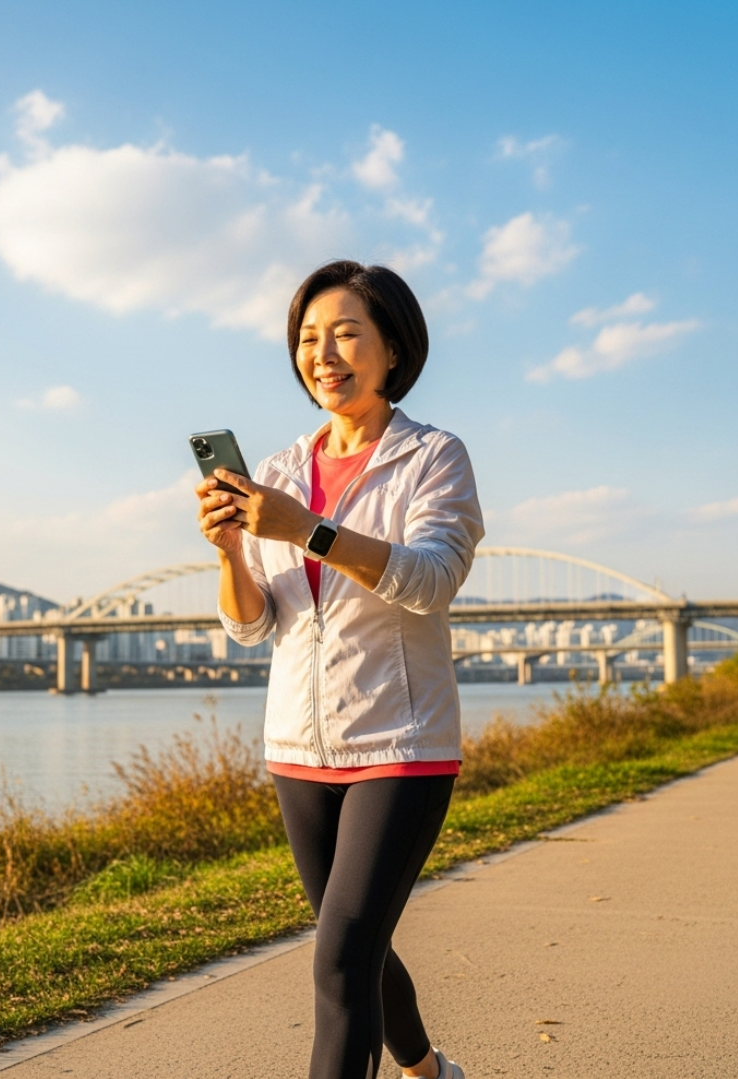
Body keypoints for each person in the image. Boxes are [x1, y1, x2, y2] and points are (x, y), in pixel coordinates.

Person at [195, 260, 484, 1079]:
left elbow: (430, 579)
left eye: (346, 332)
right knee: (354, 944)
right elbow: (251, 625)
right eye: (308, 339)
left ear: (393, 347)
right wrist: (230, 551)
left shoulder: (434, 457)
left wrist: (312, 530)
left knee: (340, 958)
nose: (323, 353)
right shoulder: (281, 473)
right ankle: (429, 1071)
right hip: (298, 746)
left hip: (401, 741)